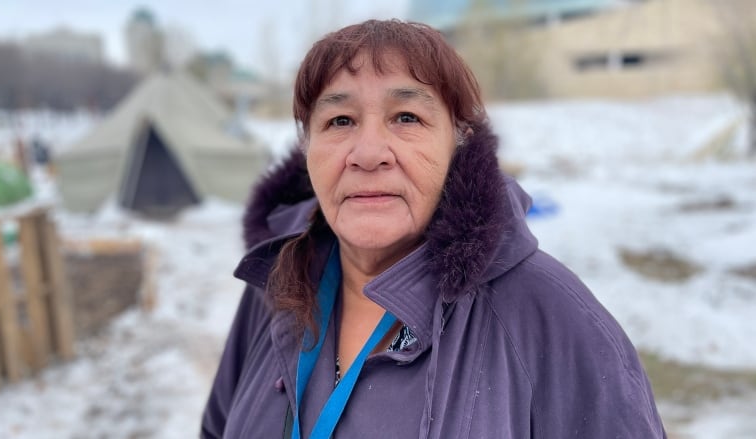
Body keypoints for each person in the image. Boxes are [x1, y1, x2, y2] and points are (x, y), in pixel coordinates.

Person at [201, 19, 666, 438]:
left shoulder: (548, 315)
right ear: (308, 148)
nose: (368, 154)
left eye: (407, 118)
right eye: (340, 120)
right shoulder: (280, 284)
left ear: (457, 143)